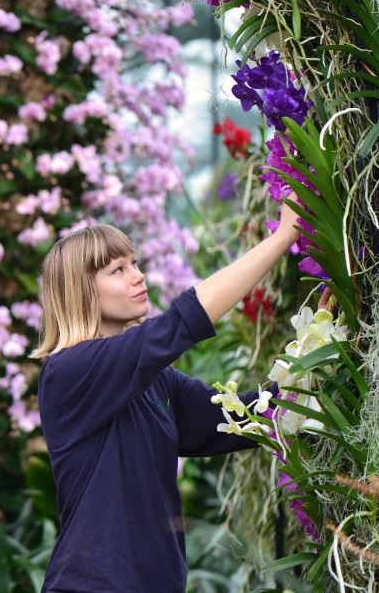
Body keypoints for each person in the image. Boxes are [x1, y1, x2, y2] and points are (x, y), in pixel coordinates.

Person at [28, 199, 302, 592]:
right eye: (117, 270)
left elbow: (245, 418)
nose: (138, 276)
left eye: (135, 264)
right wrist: (282, 238)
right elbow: (181, 323)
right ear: (82, 292)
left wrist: (317, 361)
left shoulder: (158, 383)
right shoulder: (69, 372)